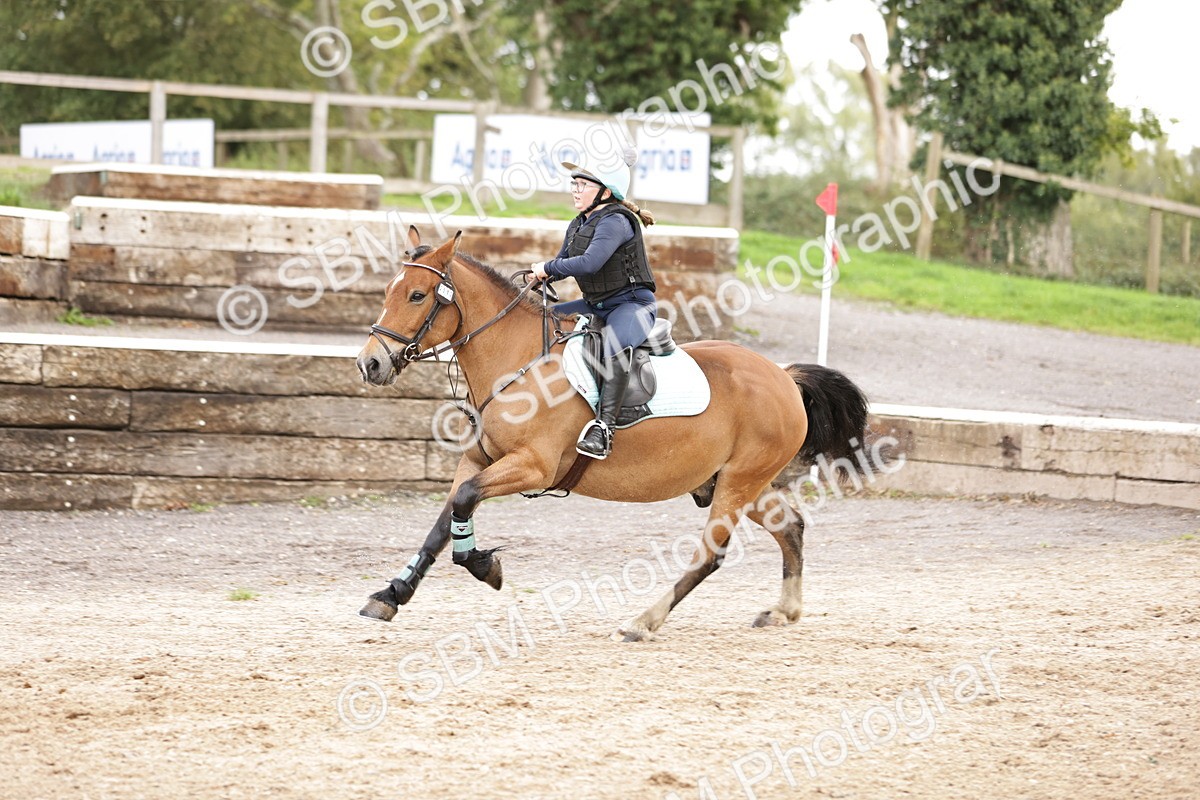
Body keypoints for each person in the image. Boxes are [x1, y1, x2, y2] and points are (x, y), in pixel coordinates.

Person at [531, 149, 658, 460]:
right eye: (574, 184)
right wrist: (537, 281)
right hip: (595, 304)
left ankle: (604, 427)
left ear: (605, 190)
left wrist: (547, 268)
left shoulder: (616, 221)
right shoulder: (578, 223)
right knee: (538, 321)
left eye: (582, 185)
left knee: (614, 345)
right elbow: (562, 263)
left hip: (632, 305)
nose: (575, 190)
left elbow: (590, 263)